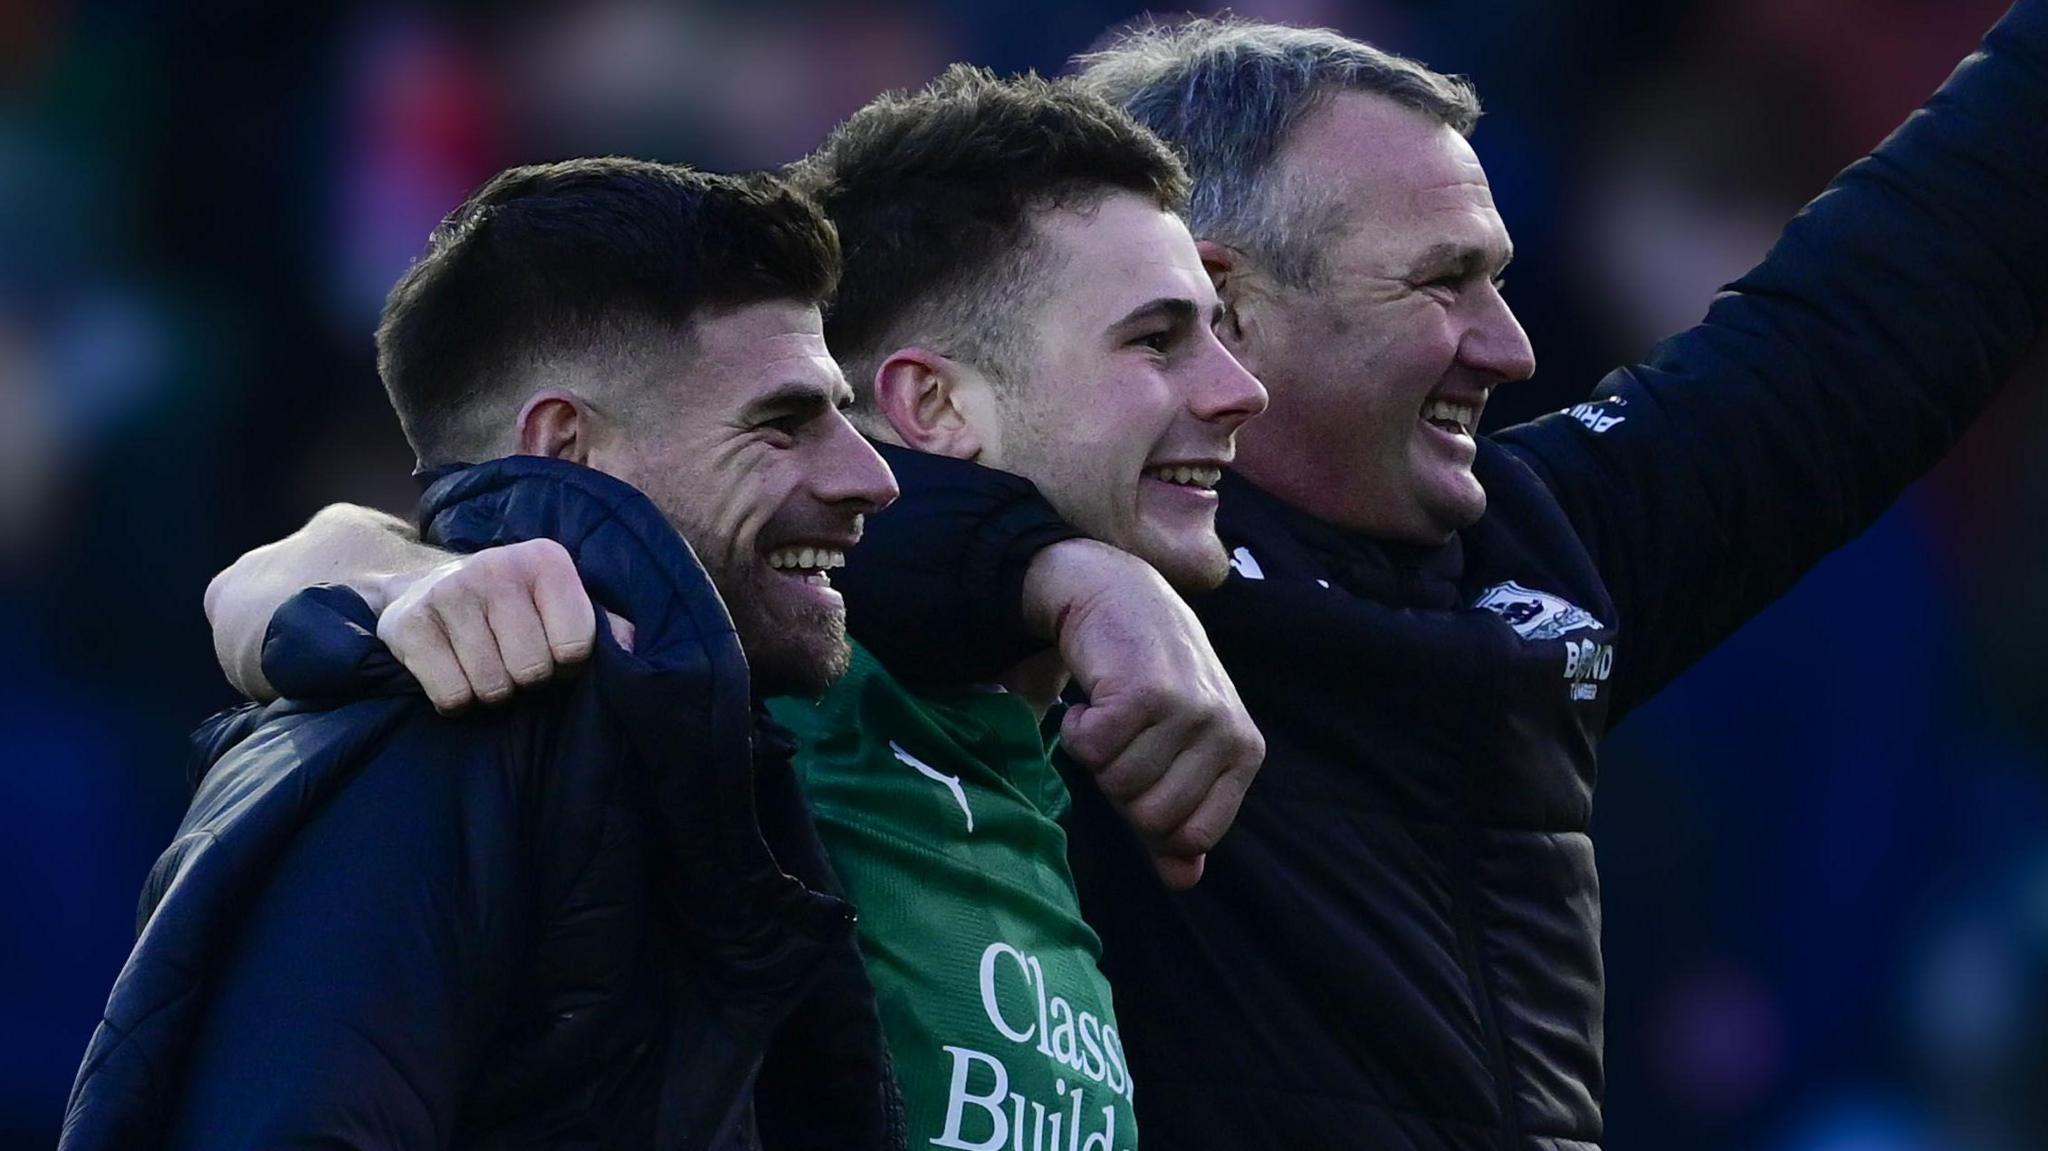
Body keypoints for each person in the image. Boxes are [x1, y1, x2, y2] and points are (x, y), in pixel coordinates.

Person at [843, 9, 2048, 1149]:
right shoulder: (1045, 577)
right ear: (1225, 301)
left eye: (1499, 279)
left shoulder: (1539, 543)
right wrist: (1064, 579)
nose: (1508, 346)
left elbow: (1878, 306)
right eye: (1441, 282)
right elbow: (732, 518)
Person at [200, 68, 1267, 1151]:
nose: (1240, 389)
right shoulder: (760, 693)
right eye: (1155, 339)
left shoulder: (1083, 739)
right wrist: (336, 570)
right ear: (931, 404)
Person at [61, 157, 905, 1150]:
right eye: (781, 423)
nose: (869, 475)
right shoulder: (433, 739)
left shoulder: (676, 739)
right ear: (564, 444)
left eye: (845, 415)